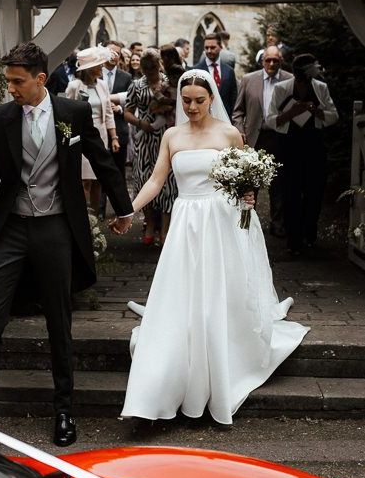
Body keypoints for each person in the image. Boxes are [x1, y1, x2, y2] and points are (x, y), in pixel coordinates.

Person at [0, 42, 133, 447]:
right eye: (8, 82)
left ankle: (65, 411)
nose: (11, 89)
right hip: (11, 230)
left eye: (18, 82)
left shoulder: (72, 113)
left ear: (40, 79)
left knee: (59, 323)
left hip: (55, 228)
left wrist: (123, 208)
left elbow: (101, 160)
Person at [120, 69, 310, 426]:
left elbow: (246, 177)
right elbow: (157, 180)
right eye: (186, 100)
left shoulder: (228, 133)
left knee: (222, 291)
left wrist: (249, 192)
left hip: (222, 219)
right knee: (183, 292)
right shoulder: (171, 136)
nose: (191, 107)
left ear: (211, 99)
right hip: (187, 222)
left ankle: (225, 350)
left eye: (199, 101)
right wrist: (130, 209)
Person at [266, 53, 338, 255]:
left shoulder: (320, 88)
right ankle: (293, 239)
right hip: (289, 144)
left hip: (313, 143)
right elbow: (270, 118)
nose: (318, 69)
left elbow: (333, 116)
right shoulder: (282, 89)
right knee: (291, 191)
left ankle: (309, 236)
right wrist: (291, 113)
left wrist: (316, 111)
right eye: (314, 66)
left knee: (314, 190)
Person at [232, 45, 292, 237]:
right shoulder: (249, 79)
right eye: (268, 60)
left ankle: (278, 223)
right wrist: (240, 131)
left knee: (279, 182)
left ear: (281, 61)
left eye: (276, 60)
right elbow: (238, 111)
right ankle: (249, 221)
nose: (272, 63)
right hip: (255, 138)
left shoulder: (290, 79)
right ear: (262, 61)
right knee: (251, 182)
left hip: (280, 137)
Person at [124, 48, 177, 246]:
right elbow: (127, 112)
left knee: (168, 181)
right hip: (145, 137)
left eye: (153, 67)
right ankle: (150, 224)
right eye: (146, 68)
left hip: (166, 133)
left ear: (159, 65)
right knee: (144, 177)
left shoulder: (168, 82)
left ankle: (165, 229)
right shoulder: (136, 85)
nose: (149, 71)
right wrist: (140, 123)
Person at [66, 46, 120, 212]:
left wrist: (114, 137)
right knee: (84, 179)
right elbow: (67, 112)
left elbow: (109, 113)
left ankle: (95, 216)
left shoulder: (103, 85)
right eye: (98, 65)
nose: (101, 68)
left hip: (101, 135)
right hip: (81, 136)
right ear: (89, 69)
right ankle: (82, 215)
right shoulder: (75, 86)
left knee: (98, 178)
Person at [103, 41, 133, 184]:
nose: (114, 56)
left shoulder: (126, 77)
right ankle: (99, 206)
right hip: (99, 129)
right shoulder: (95, 74)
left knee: (119, 173)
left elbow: (132, 102)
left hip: (119, 128)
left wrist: (120, 109)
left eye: (117, 53)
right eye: (111, 52)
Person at [194, 32, 238, 118]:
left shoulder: (229, 71)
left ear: (220, 47)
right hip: (203, 120)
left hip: (225, 120)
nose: (209, 51)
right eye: (206, 48)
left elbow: (233, 99)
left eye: (212, 47)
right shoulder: (196, 71)